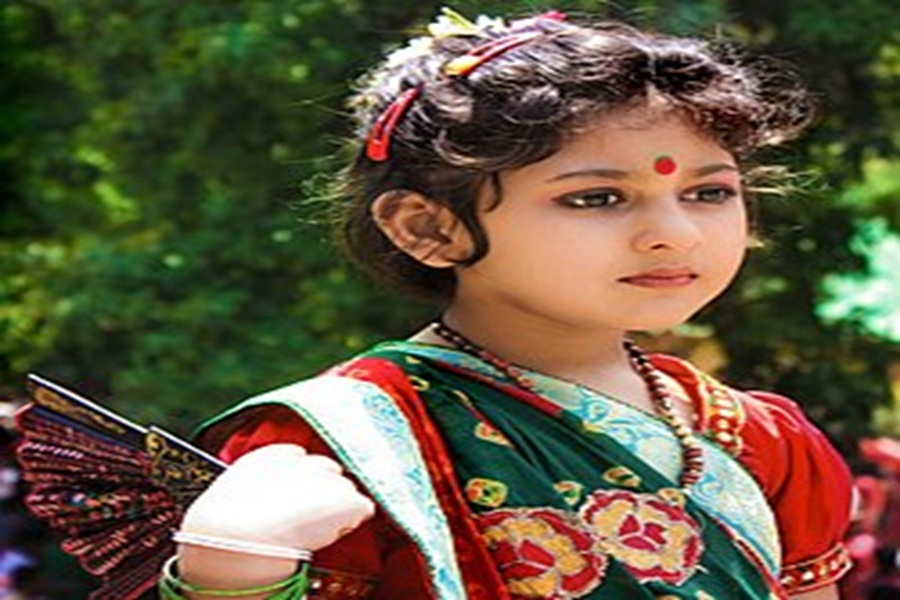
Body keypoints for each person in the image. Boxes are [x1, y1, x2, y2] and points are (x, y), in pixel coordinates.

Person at [161, 8, 854, 600]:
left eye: (709, 192)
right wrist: (230, 572)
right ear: (427, 228)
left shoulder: (762, 437)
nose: (676, 234)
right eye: (597, 197)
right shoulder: (339, 446)